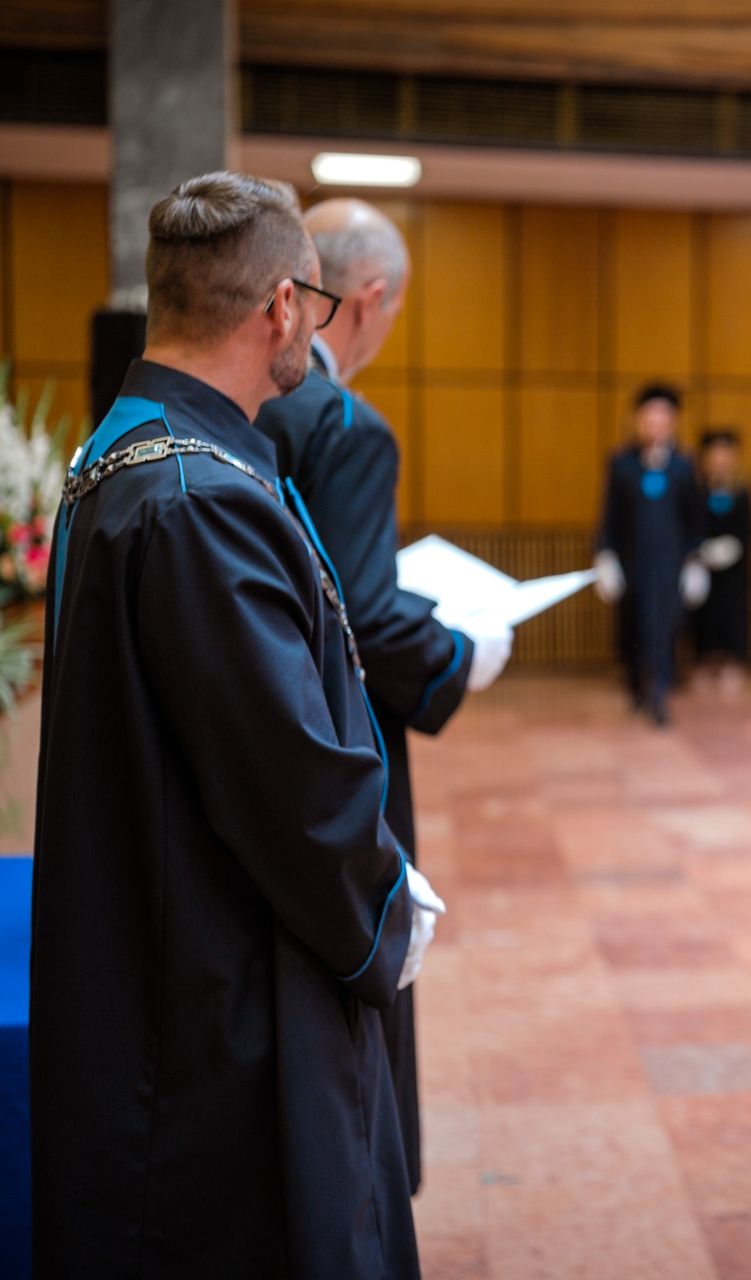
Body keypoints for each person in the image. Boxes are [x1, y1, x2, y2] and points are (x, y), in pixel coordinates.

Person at [33, 171, 431, 1277]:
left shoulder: (129, 447)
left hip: (151, 916)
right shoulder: (200, 499)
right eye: (312, 299)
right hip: (213, 980)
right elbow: (289, 785)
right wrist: (385, 905)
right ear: (282, 307)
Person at [253, 197, 508, 1194]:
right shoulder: (343, 424)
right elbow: (362, 616)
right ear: (369, 297)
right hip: (338, 743)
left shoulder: (234, 408)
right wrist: (463, 653)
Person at [595, 383, 701, 724]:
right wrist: (605, 555)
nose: (655, 423)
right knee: (634, 627)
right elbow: (610, 515)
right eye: (649, 416)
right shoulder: (622, 463)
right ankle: (637, 685)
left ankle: (659, 692)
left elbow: (693, 518)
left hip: (669, 564)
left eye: (662, 416)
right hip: (632, 561)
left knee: (665, 627)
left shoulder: (683, 465)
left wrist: (695, 561)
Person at [692, 427, 751, 693]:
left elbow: (746, 528)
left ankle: (733, 658)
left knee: (732, 609)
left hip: (734, 564)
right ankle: (705, 657)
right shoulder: (699, 489)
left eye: (725, 453)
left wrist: (733, 546)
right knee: (705, 611)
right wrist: (701, 548)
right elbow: (693, 523)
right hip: (704, 561)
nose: (720, 459)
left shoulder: (741, 490)